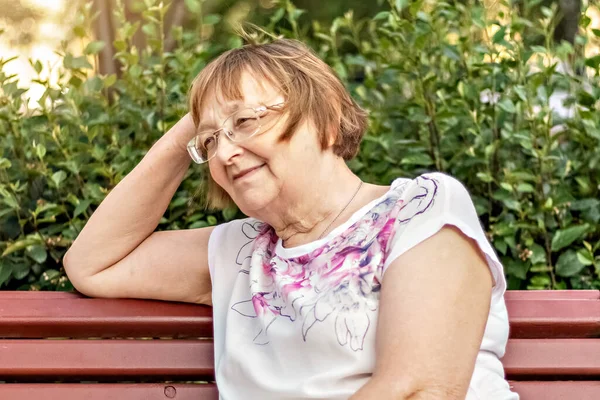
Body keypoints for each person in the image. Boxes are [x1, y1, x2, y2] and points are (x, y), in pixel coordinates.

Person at [63, 38, 520, 400]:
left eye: (246, 120)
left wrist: (216, 111)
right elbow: (92, 264)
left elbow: (418, 391)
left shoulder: (419, 209)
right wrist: (199, 120)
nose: (223, 153)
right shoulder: (240, 252)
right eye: (209, 145)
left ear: (327, 117)